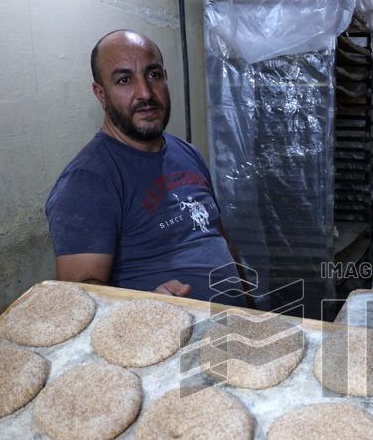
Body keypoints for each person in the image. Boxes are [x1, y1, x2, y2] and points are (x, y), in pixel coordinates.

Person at [46, 29, 242, 302]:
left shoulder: (188, 153)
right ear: (101, 94)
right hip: (162, 329)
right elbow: (79, 299)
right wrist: (147, 305)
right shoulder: (86, 182)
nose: (145, 93)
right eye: (124, 80)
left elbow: (218, 238)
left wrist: (250, 307)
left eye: (153, 75)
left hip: (233, 322)